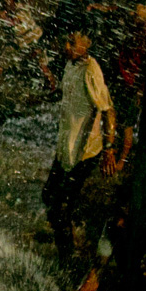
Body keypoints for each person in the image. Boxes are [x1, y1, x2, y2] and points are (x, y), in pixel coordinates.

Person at [42, 27, 118, 261]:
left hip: (82, 153)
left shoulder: (91, 71)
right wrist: (49, 80)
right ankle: (72, 238)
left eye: (73, 43)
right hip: (66, 148)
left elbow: (108, 111)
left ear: (88, 44)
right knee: (48, 196)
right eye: (67, 41)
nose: (67, 47)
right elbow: (67, 95)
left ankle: (69, 258)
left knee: (60, 206)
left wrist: (109, 149)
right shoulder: (71, 64)